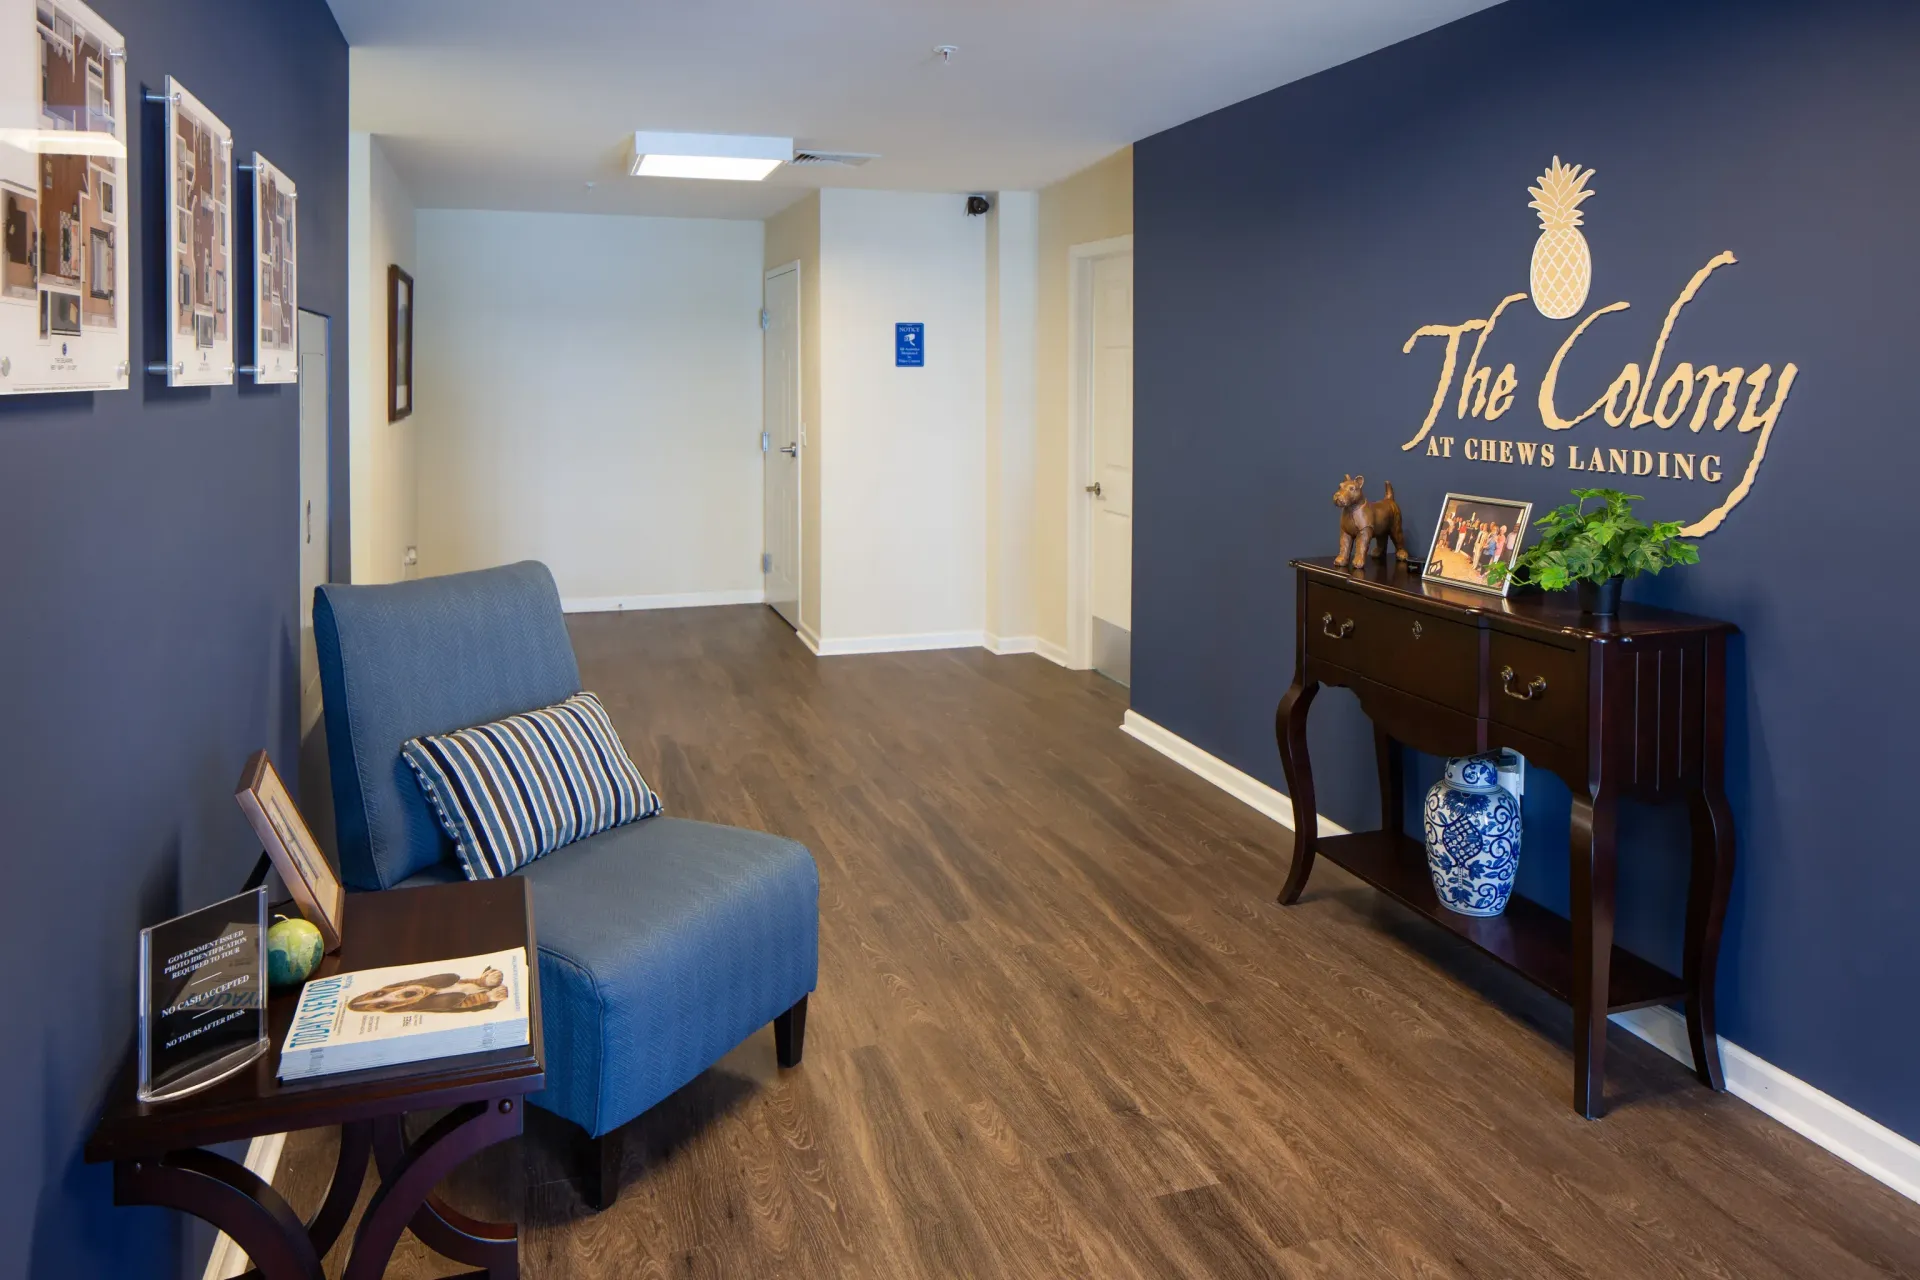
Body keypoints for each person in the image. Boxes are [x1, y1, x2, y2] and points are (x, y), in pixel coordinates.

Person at [347, 966, 511, 1014]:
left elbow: (458, 982)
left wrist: (479, 981)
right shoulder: (428, 1005)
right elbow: (461, 1003)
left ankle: (482, 982)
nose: (393, 997)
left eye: (379, 994)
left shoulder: (424, 983)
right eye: (382, 1005)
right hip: (479, 999)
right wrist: (487, 997)